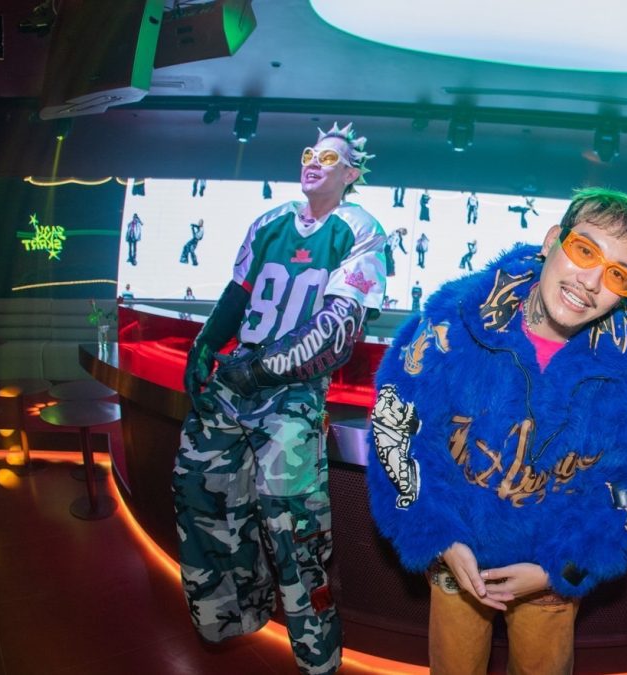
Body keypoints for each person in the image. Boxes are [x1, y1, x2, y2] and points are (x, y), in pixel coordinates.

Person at [368, 187, 627, 674]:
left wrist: (562, 567)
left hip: (548, 577)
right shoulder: (452, 321)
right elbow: (396, 427)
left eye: (618, 275)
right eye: (585, 251)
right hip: (456, 559)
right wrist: (438, 536)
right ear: (553, 240)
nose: (590, 282)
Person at [172, 121, 386, 675]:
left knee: (295, 527)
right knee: (201, 493)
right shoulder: (268, 221)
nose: (314, 161)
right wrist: (205, 344)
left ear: (351, 174)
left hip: (292, 392)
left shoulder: (358, 228)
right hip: (236, 378)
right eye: (310, 152)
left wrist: (260, 370)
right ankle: (229, 616)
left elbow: (338, 330)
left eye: (329, 158)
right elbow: (238, 292)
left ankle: (318, 656)